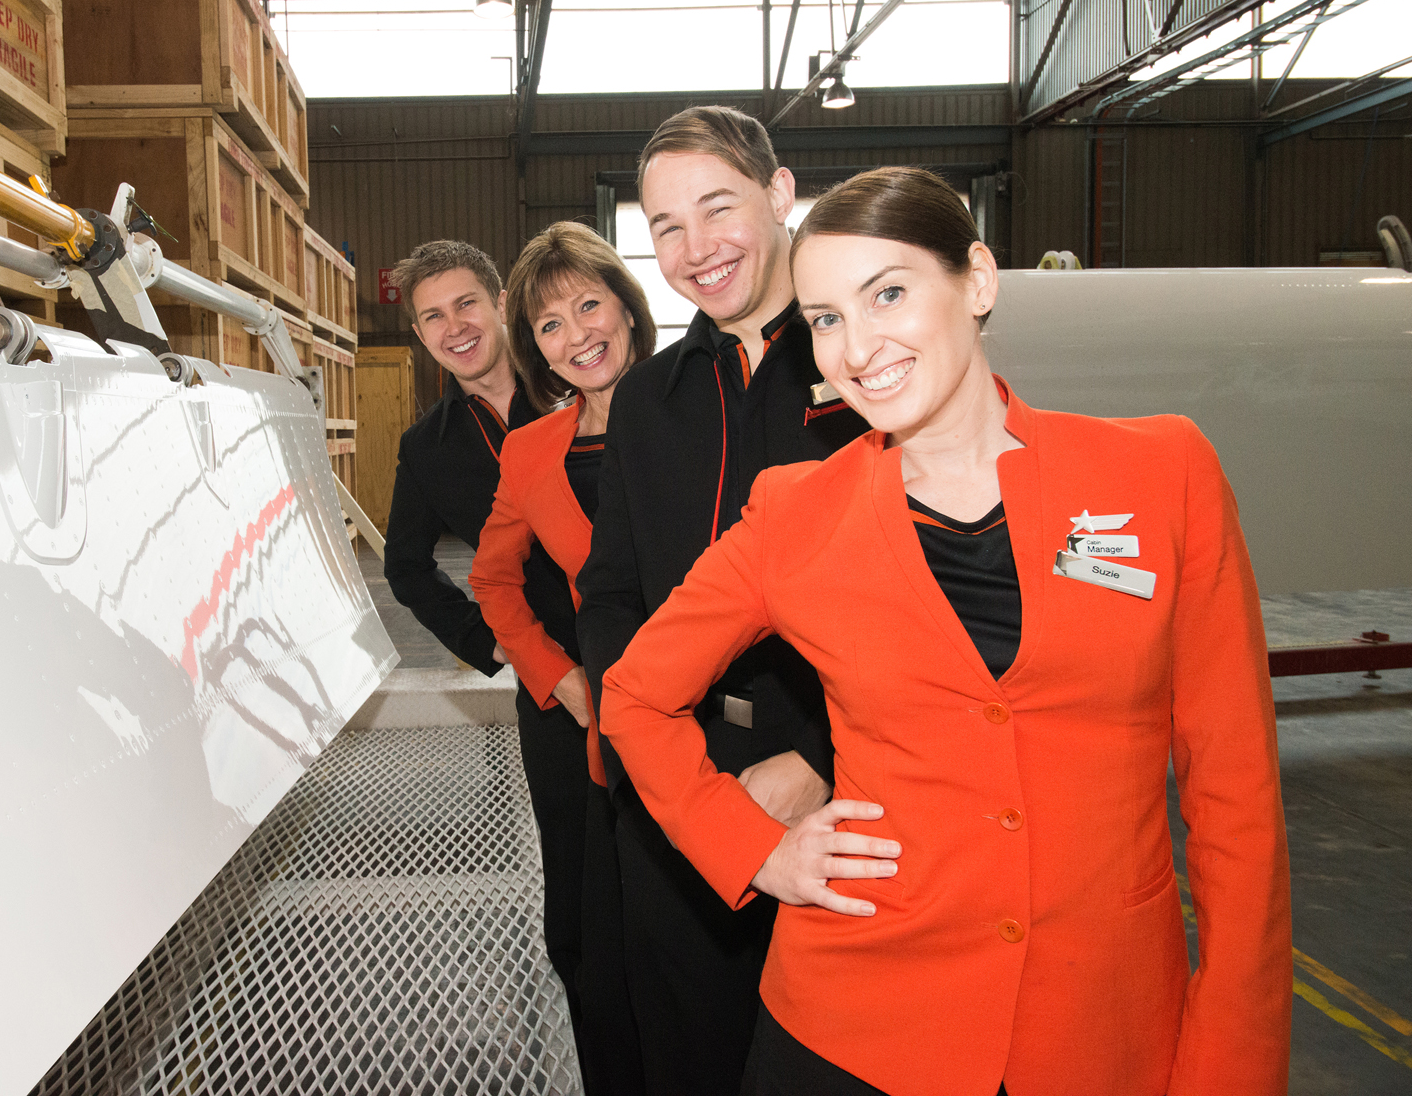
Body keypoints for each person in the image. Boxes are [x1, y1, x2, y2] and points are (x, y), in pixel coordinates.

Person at [599, 166, 1292, 1096]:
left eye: (888, 292)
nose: (857, 346)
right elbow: (635, 697)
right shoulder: (797, 514)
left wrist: (1231, 1067)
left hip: (1099, 1029)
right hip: (853, 1032)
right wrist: (759, 850)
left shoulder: (1161, 474)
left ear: (977, 280)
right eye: (828, 318)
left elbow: (1236, 802)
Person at [573, 105, 870, 1096]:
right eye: (665, 225)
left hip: (838, 796)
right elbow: (611, 591)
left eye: (718, 207)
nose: (696, 248)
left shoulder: (864, 372)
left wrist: (826, 756)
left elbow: (933, 601)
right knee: (687, 1054)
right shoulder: (649, 400)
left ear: (780, 194)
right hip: (674, 805)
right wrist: (667, 768)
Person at [379, 239, 592, 1058]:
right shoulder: (428, 448)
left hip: (645, 657)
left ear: (501, 303)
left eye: (466, 303)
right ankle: (591, 1034)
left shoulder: (586, 390)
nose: (453, 326)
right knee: (570, 870)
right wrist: (498, 652)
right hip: (546, 676)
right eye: (432, 317)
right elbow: (405, 568)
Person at [470, 222, 657, 1096]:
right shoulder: (531, 449)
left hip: (706, 720)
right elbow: (493, 581)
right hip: (601, 732)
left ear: (626, 305)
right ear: (533, 349)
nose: (578, 333)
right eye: (550, 324)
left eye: (590, 304)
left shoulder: (696, 418)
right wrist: (558, 677)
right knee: (595, 942)